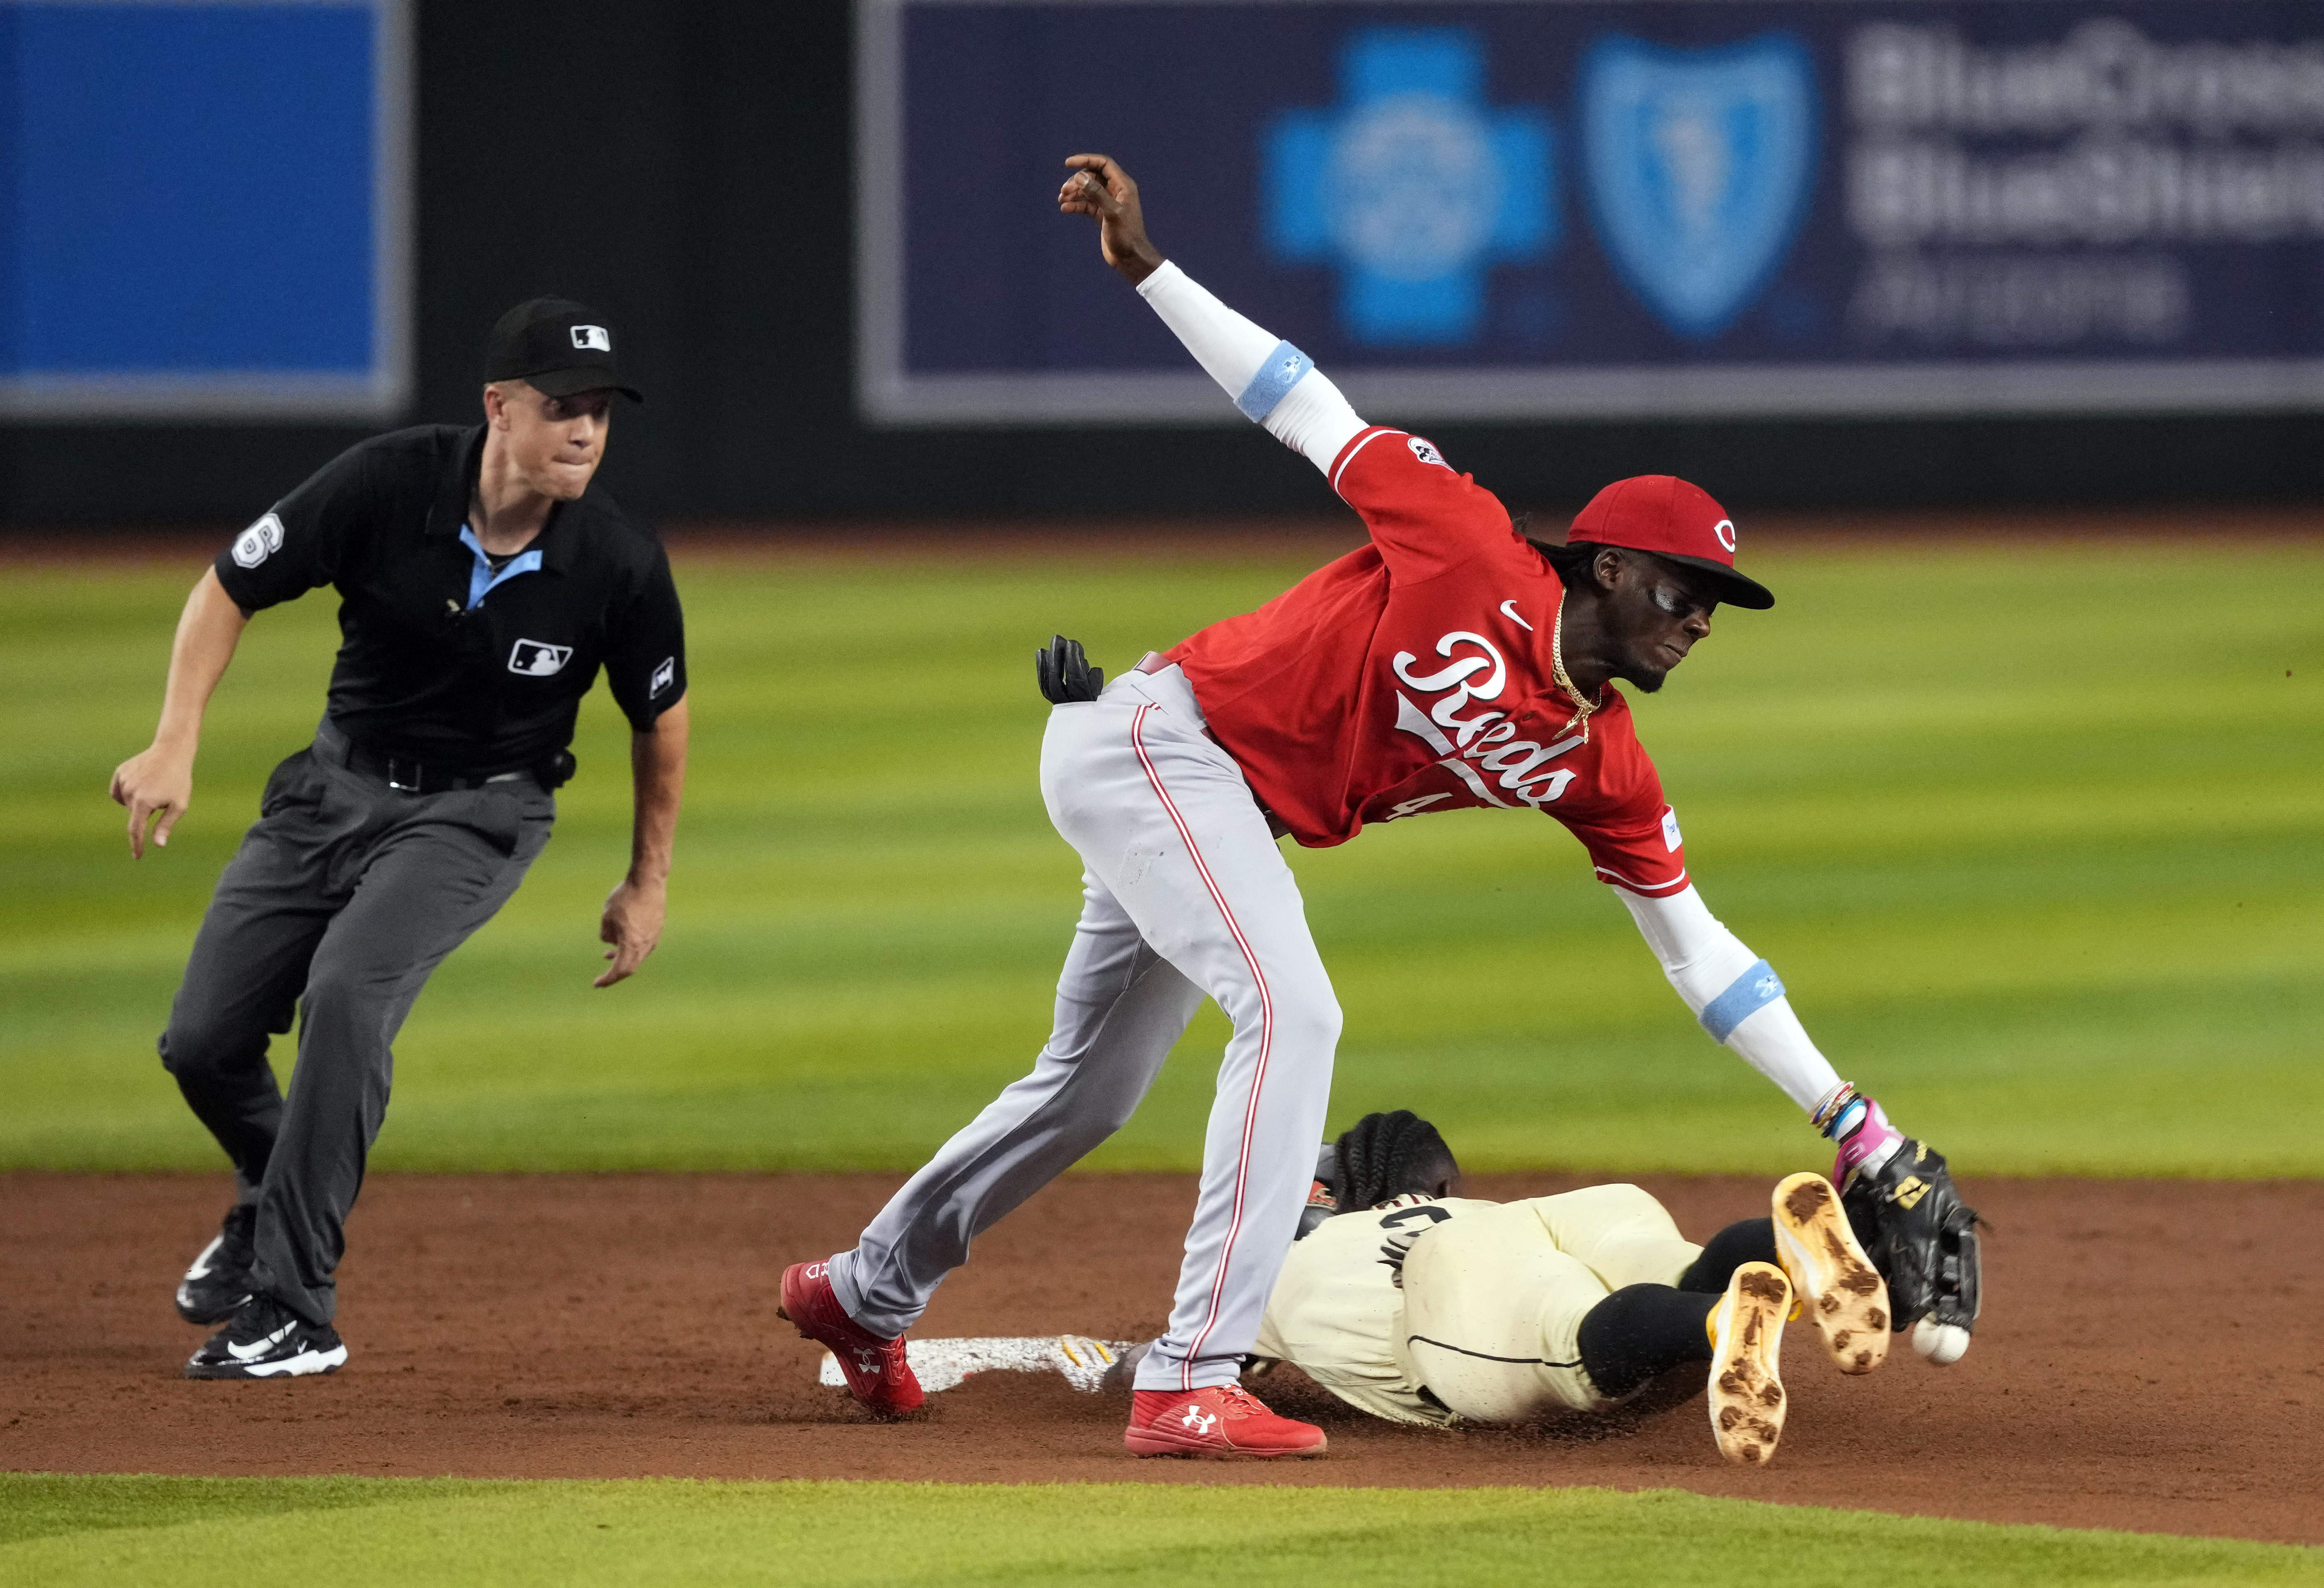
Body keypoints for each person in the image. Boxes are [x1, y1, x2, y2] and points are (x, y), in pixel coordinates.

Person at [777, 155, 1978, 1459]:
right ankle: (1189, 1373)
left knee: (1087, 1092)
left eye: (1716, 606)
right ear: (1611, 564)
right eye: (1683, 590)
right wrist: (1148, 270)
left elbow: (1704, 955)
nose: (1698, 620)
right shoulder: (1468, 546)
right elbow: (1299, 399)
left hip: (1210, 801)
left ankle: (858, 1292)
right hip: (1160, 741)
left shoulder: (1603, 760)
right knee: (1293, 1007)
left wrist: (1854, 1121)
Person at [109, 299, 690, 1380]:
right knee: (201, 1040)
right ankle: (269, 1193)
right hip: (329, 787)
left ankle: (296, 1305)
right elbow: (228, 584)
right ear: (497, 408)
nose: (584, 432)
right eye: (562, 406)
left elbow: (660, 720)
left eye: (601, 413)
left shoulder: (617, 561)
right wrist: (174, 740)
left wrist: (646, 880)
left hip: (479, 813)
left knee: (348, 994)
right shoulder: (385, 482)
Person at [1211, 1110, 1891, 1466]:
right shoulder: (1461, 1207)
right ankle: (1784, 1252)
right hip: (1548, 1218)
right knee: (1673, 1267)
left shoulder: (1275, 1269)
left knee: (1573, 1332)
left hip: (1453, 1286)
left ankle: (1719, 1321)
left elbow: (1196, 1362)